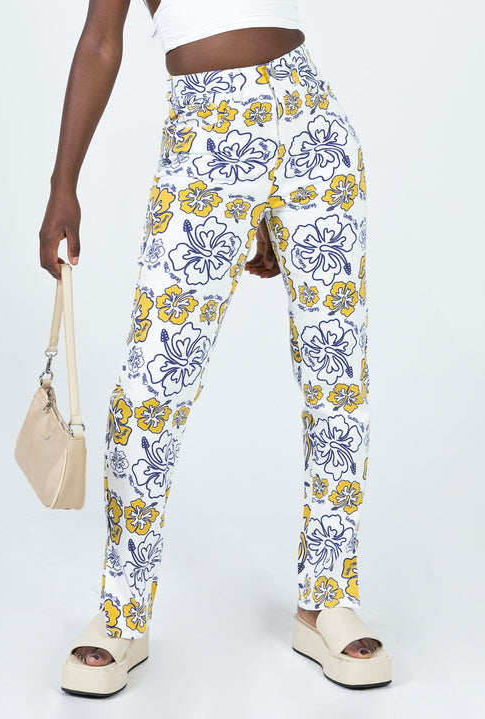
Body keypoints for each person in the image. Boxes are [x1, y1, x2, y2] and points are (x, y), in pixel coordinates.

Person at [39, 0, 392, 696]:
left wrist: (262, 210)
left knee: (337, 376)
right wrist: (63, 185)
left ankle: (326, 597)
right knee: (151, 388)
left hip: (312, 125)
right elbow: (101, 42)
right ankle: (122, 610)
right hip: (208, 132)